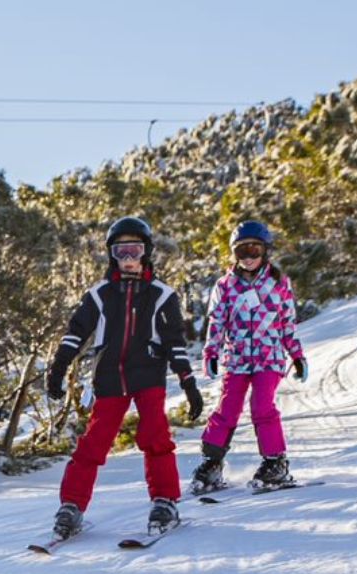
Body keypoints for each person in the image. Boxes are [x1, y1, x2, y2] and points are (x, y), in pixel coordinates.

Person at [45, 217, 204, 539]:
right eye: (121, 251)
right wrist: (59, 367)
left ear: (146, 254)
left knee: (155, 436)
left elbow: (175, 343)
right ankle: (71, 506)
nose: (129, 258)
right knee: (93, 443)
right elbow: (76, 333)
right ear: (111, 255)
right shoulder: (100, 295)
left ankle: (165, 500)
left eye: (135, 250)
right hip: (110, 379)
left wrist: (188, 382)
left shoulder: (162, 295)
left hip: (149, 376)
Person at [190, 220, 308, 493]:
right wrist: (211, 351)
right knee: (227, 407)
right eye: (242, 251)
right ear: (234, 254)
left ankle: (275, 461)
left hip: (269, 357)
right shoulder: (225, 285)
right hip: (238, 359)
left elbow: (288, 324)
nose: (249, 257)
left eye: (255, 250)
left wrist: (297, 355)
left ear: (265, 251)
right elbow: (217, 323)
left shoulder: (279, 283)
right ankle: (212, 462)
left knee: (262, 405)